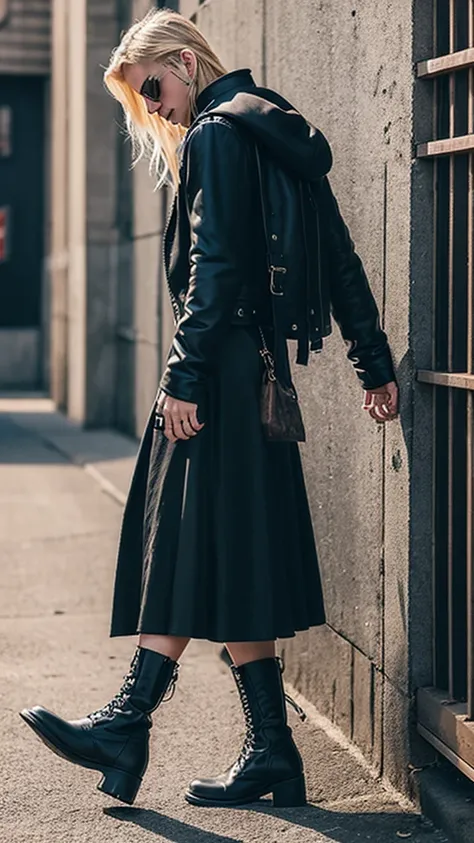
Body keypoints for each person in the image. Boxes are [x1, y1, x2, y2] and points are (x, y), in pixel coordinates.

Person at [19, 8, 399, 810]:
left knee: (185, 545)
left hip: (218, 374)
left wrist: (182, 378)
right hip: (249, 375)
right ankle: (270, 751)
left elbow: (216, 271)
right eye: (140, 98)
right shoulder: (272, 128)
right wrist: (373, 360)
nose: (153, 106)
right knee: (222, 552)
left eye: (150, 86)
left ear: (186, 62)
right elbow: (338, 253)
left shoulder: (218, 136)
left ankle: (128, 723)